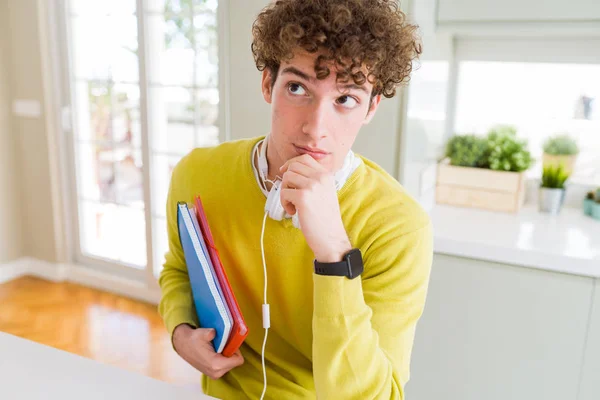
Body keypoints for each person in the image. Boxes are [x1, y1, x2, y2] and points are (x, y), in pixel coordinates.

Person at [158, 1, 432, 399]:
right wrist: (180, 330)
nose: (315, 128)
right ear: (268, 84)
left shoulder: (400, 226)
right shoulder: (196, 174)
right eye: (298, 88)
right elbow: (178, 271)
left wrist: (335, 254)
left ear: (371, 107)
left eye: (346, 99)